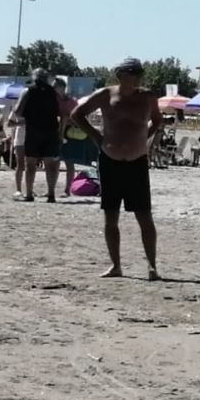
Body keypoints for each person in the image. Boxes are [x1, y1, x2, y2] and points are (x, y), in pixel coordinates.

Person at [71, 58, 163, 279]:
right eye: (133, 73)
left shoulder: (147, 97)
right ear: (120, 75)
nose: (137, 78)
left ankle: (152, 266)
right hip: (110, 160)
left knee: (144, 216)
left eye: (139, 73)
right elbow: (77, 114)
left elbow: (157, 120)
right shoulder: (106, 95)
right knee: (110, 216)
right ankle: (116, 265)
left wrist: (144, 138)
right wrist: (96, 137)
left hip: (137, 161)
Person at [14, 69, 66, 201]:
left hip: (33, 131)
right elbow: (63, 114)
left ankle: (29, 194)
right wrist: (60, 133)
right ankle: (51, 194)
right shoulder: (53, 93)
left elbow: (18, 112)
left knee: (30, 165)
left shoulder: (27, 91)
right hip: (51, 131)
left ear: (34, 77)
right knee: (50, 166)